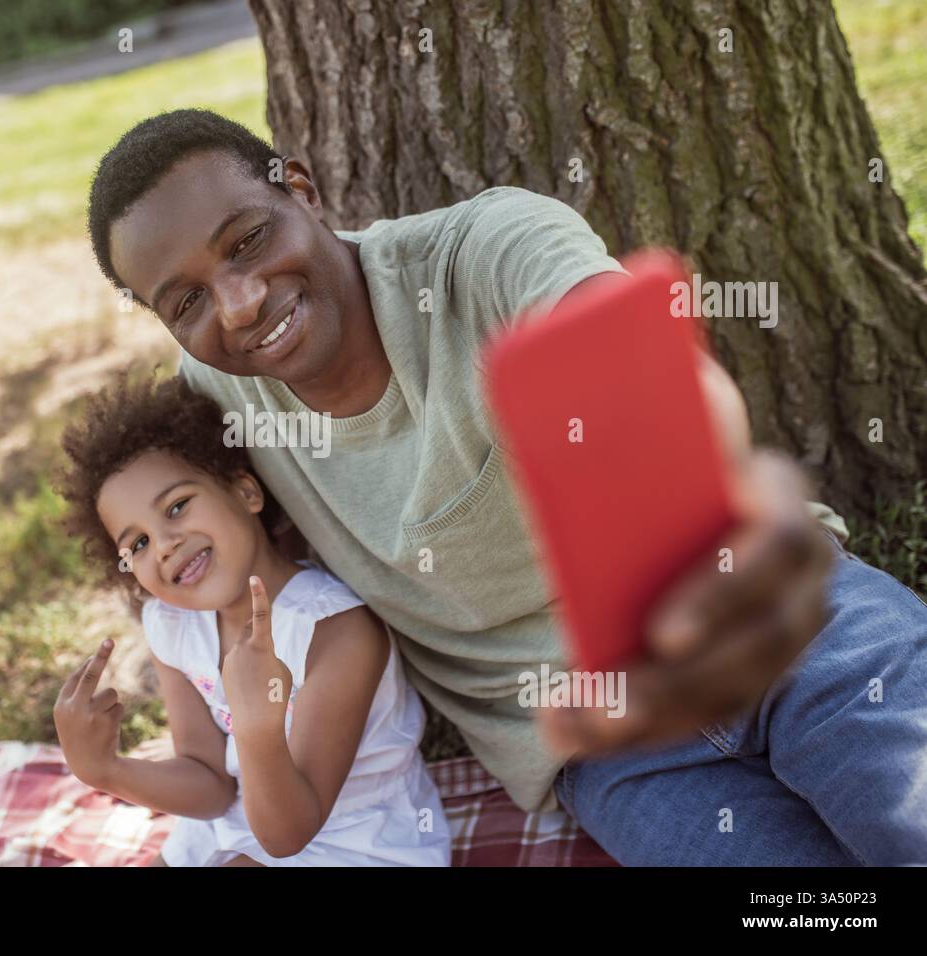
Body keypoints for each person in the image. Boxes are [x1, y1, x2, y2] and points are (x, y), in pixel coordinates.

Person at [78, 107, 927, 865]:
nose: (237, 303)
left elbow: (658, 373)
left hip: (778, 626)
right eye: (184, 300)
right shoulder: (216, 404)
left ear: (300, 187)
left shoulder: (484, 253)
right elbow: (164, 539)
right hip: (608, 749)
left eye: (249, 240)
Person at [53, 375, 452, 866]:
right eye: (137, 544)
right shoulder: (174, 625)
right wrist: (106, 770)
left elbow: (289, 833)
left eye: (177, 506)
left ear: (245, 492)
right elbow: (212, 786)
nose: (164, 544)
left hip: (354, 836)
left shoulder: (336, 634)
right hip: (240, 820)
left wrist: (255, 724)